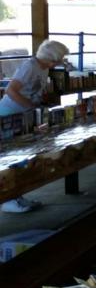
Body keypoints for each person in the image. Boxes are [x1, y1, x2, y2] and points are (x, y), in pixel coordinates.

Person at [0, 40, 70, 213]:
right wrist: (32, 107)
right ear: (52, 58)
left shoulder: (43, 67)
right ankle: (7, 200)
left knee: (22, 156)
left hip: (23, 114)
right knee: (11, 157)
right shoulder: (29, 66)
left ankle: (16, 196)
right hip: (9, 114)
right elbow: (10, 91)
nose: (60, 61)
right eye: (59, 58)